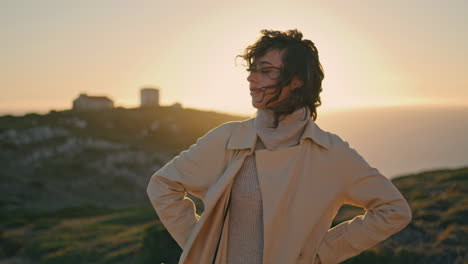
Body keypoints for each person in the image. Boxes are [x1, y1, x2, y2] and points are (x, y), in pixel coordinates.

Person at [147, 29, 412, 264]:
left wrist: (322, 253)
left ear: (297, 80)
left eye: (266, 71)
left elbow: (393, 210)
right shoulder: (227, 138)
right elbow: (163, 185)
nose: (251, 78)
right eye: (253, 70)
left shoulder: (331, 153)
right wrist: (203, 247)